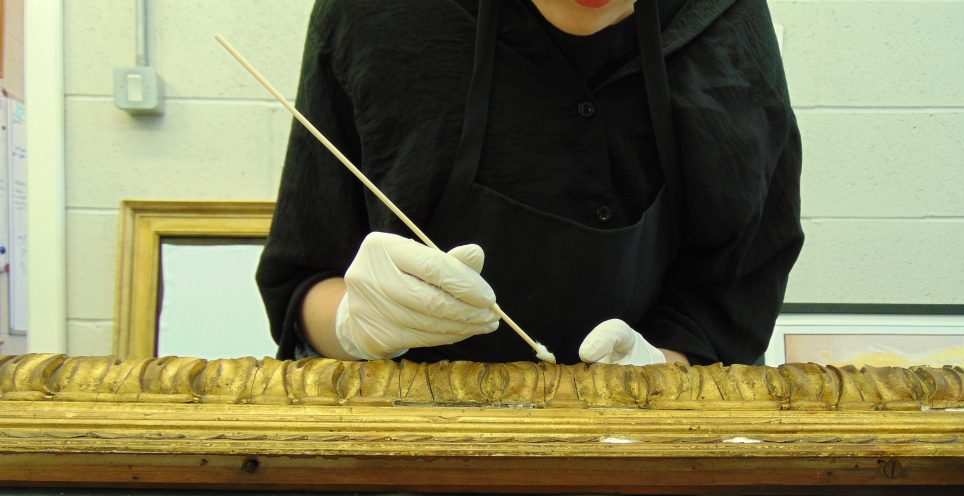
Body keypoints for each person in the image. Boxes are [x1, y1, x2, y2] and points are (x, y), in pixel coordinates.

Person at [257, 0, 803, 366]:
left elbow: (733, 289)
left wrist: (665, 367)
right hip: (409, 478)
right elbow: (304, 281)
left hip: (645, 470)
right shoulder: (380, 18)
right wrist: (355, 323)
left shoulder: (723, 22)